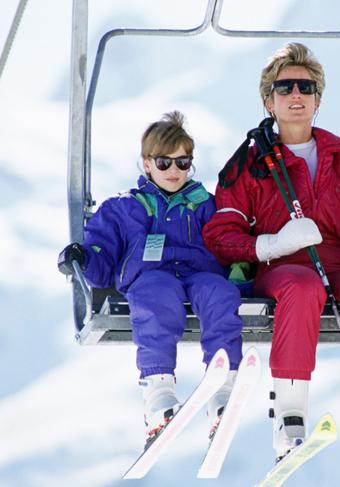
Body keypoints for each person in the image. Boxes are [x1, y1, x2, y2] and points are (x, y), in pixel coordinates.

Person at [202, 43, 340, 464]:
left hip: (339, 261)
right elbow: (221, 234)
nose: (296, 95)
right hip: (281, 267)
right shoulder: (250, 164)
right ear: (269, 99)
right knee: (301, 287)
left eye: (306, 86)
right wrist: (272, 244)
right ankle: (289, 414)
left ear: (319, 97)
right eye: (285, 87)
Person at [57, 111, 244, 446]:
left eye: (183, 163)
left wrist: (242, 268)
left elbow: (227, 242)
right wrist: (84, 257)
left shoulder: (205, 205)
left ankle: (223, 389)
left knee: (220, 294)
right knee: (155, 299)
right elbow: (103, 254)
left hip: (198, 274)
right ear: (146, 164)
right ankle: (158, 394)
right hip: (152, 277)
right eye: (164, 163)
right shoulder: (124, 208)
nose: (174, 171)